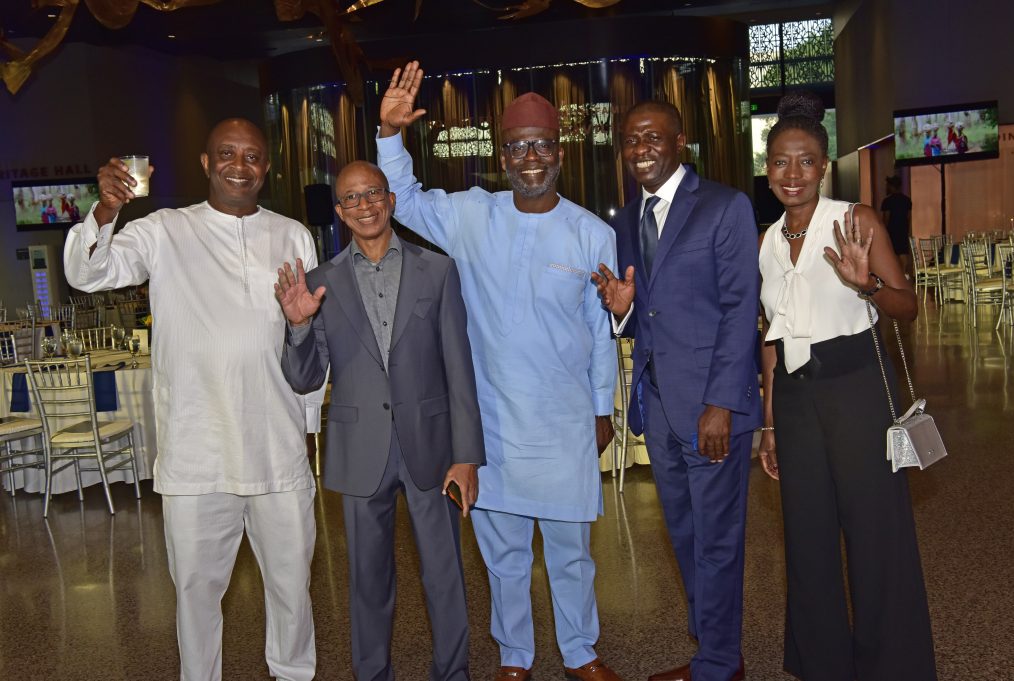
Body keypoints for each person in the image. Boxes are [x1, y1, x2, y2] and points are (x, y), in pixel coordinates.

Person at [377, 61, 620, 681]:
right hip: (491, 424)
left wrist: (601, 408)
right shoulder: (470, 215)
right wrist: (389, 135)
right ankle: (515, 657)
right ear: (502, 155)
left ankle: (580, 653)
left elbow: (599, 331)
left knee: (571, 554)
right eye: (516, 147)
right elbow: (400, 200)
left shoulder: (590, 234)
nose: (529, 157)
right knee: (504, 554)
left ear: (558, 151)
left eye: (539, 144)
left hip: (564, 423)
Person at [64, 118, 318, 681]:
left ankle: (293, 674)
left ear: (267, 167)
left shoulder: (294, 234)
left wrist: (308, 428)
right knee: (197, 596)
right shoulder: (164, 230)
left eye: (252, 156)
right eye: (226, 154)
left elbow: (308, 336)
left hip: (278, 450)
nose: (239, 166)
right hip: (197, 453)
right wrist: (105, 212)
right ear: (206, 163)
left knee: (291, 588)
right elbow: (90, 272)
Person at [276, 160, 486, 681]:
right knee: (368, 578)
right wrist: (298, 325)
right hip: (359, 449)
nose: (364, 205)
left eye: (373, 194)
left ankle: (453, 672)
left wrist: (467, 456)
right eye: (351, 199)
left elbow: (460, 368)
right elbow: (306, 379)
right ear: (342, 213)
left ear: (390, 201)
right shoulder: (320, 283)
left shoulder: (437, 270)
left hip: (433, 449)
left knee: (444, 572)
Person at [756, 92, 936, 681]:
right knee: (807, 539)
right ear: (767, 167)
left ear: (824, 166)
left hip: (858, 383)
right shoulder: (767, 242)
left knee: (874, 532)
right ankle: (822, 664)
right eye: (781, 161)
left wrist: (867, 287)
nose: (793, 174)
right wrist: (771, 423)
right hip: (796, 397)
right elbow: (771, 340)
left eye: (806, 161)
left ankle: (893, 667)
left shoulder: (854, 219)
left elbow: (906, 307)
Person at [592, 101, 760, 681]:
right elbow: (653, 312)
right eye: (630, 140)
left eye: (652, 137)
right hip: (658, 409)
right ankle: (713, 643)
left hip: (711, 408)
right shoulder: (625, 221)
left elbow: (741, 312)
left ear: (680, 141)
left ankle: (717, 663)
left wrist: (722, 403)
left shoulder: (724, 207)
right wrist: (625, 310)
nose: (640, 149)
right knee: (685, 533)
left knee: (717, 540)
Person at [880, 174, 912, 275]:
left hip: (891, 232)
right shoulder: (907, 200)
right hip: (903, 231)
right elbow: (908, 217)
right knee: (903, 254)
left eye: (888, 185)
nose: (887, 188)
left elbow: (886, 219)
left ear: (892, 186)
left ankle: (895, 277)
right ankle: (905, 275)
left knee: (891, 255)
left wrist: (883, 233)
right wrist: (908, 231)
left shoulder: (887, 201)